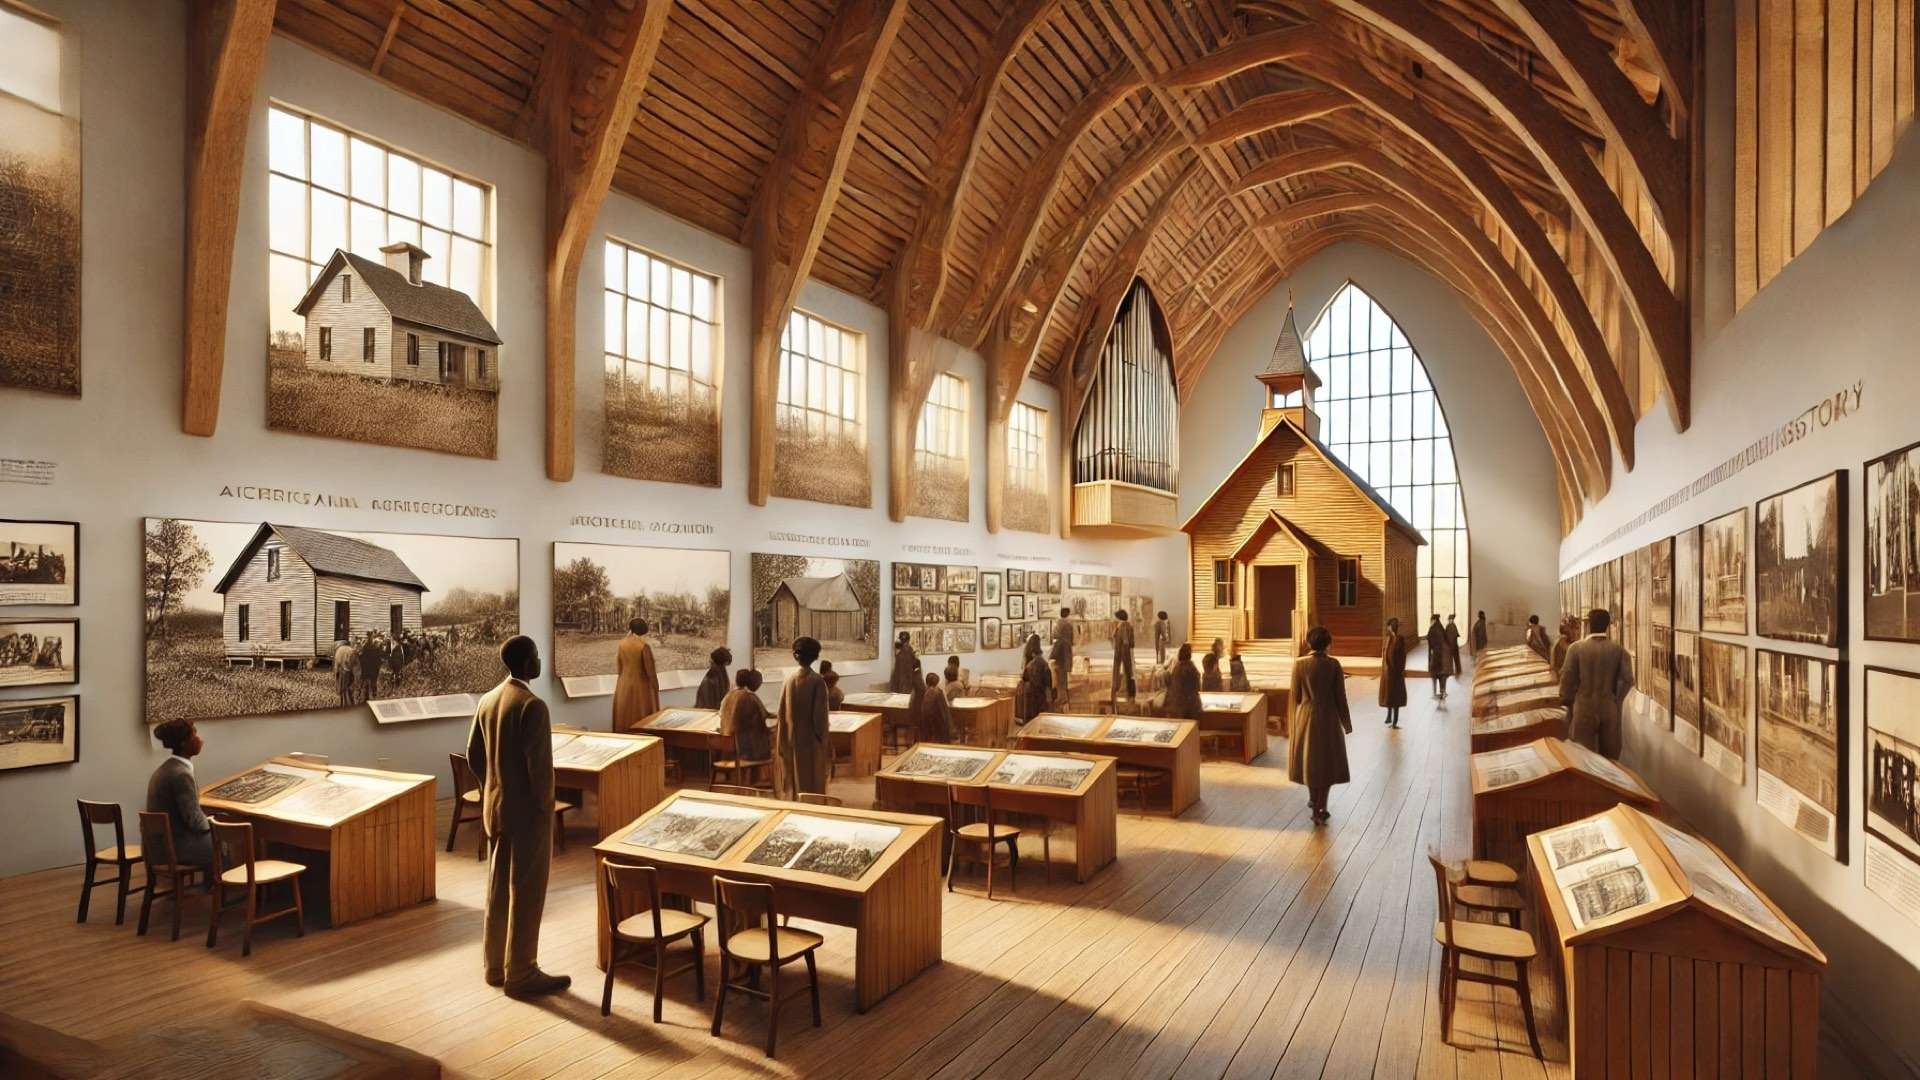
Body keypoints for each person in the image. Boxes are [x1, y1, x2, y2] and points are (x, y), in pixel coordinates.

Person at [465, 636, 569, 998]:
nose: (539, 661)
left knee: (497, 889)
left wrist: (492, 790)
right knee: (526, 891)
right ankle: (522, 972)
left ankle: (495, 967)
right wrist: (546, 810)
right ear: (527, 664)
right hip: (528, 816)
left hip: (495, 810)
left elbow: (474, 756)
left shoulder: (488, 700)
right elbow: (540, 771)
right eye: (537, 657)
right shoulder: (533, 706)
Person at [1289, 627, 1353, 823]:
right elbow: (1340, 697)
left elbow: (1295, 696)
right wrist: (1346, 723)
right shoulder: (1333, 665)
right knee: (1326, 764)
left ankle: (1311, 798)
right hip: (1328, 718)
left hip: (1305, 717)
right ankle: (1321, 808)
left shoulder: (1299, 664)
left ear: (1309, 643)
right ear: (1328, 644)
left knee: (1310, 760)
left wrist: (1292, 723)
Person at [1560, 608, 1634, 759]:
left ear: (1589, 625)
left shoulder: (1576, 648)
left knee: (1583, 758)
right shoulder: (1618, 650)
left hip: (1583, 707)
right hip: (1608, 707)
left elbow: (1567, 679)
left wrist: (1568, 703)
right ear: (1607, 626)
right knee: (1610, 759)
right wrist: (1617, 700)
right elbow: (1628, 679)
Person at [147, 719, 213, 871]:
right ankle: (225, 888)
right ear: (184, 743)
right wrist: (217, 825)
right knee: (229, 840)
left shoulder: (165, 768)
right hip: (175, 848)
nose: (200, 740)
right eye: (195, 736)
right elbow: (195, 821)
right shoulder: (181, 775)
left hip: (159, 846)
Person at [777, 636, 832, 796]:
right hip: (810, 739)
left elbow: (781, 712)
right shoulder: (817, 681)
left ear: (796, 655)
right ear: (815, 656)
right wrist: (823, 739)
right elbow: (820, 717)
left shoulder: (788, 679)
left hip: (790, 737)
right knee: (811, 778)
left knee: (792, 776)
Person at [612, 619, 660, 731]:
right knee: (640, 715)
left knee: (624, 715)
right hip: (641, 686)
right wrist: (655, 686)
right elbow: (650, 671)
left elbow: (619, 666)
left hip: (623, 685)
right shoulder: (643, 646)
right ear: (644, 629)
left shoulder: (622, 644)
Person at [718, 669, 772, 764]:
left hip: (728, 749)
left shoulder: (728, 696)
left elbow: (721, 714)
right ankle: (756, 777)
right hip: (744, 750)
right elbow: (761, 719)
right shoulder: (749, 697)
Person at [1379, 618, 1409, 727]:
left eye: (1389, 626)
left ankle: (1395, 720)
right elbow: (1385, 655)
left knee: (1395, 696)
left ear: (1391, 627)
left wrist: (1400, 670)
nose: (1388, 628)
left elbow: (1402, 656)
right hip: (1388, 672)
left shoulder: (1399, 639)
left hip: (1396, 673)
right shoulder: (1388, 639)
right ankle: (1388, 716)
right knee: (1389, 695)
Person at [1015, 635, 1052, 722]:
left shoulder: (1029, 665)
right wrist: (1049, 700)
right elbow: (1048, 684)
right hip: (1040, 697)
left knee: (1031, 723)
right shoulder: (1044, 664)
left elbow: (1024, 679)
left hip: (1030, 697)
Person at [1164, 643, 1203, 720]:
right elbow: (1197, 687)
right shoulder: (1191, 668)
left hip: (1176, 705)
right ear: (1189, 654)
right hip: (1190, 706)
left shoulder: (1177, 668)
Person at [916, 672, 954, 743]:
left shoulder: (926, 693)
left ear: (927, 683)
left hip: (927, 728)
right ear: (937, 683)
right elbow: (944, 712)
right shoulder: (938, 692)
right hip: (938, 727)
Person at [1050, 609, 1075, 706]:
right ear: (1068, 614)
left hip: (1058, 650)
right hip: (1066, 650)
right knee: (1063, 675)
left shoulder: (1057, 623)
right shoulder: (1069, 624)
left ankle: (1061, 697)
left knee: (1058, 674)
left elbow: (1054, 636)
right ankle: (1063, 697)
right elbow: (1072, 640)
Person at [1111, 610, 1136, 702]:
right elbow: (1131, 643)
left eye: (1116, 616)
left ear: (1119, 617)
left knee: (1122, 671)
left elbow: (1125, 641)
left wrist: (1122, 652)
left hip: (1121, 652)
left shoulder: (1123, 626)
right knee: (1128, 672)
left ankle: (1121, 691)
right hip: (1125, 652)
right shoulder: (1127, 625)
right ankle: (1129, 693)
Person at [1426, 614, 1452, 698]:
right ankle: (1443, 692)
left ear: (1433, 620)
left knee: (1435, 674)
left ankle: (1434, 693)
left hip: (1437, 655)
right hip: (1445, 656)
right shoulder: (1441, 627)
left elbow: (1431, 642)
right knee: (1442, 675)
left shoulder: (1433, 629)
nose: (1430, 622)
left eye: (1431, 620)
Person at [357, 631, 385, 703]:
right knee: (373, 682)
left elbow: (361, 656)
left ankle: (361, 694)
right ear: (372, 636)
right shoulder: (375, 646)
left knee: (364, 681)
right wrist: (379, 664)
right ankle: (374, 694)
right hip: (373, 668)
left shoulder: (365, 646)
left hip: (366, 667)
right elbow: (378, 657)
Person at [333, 639, 358, 707]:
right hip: (348, 672)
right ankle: (349, 703)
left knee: (341, 688)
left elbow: (336, 664)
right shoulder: (351, 650)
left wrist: (336, 673)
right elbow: (355, 663)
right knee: (348, 687)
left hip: (340, 671)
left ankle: (342, 703)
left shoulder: (338, 650)